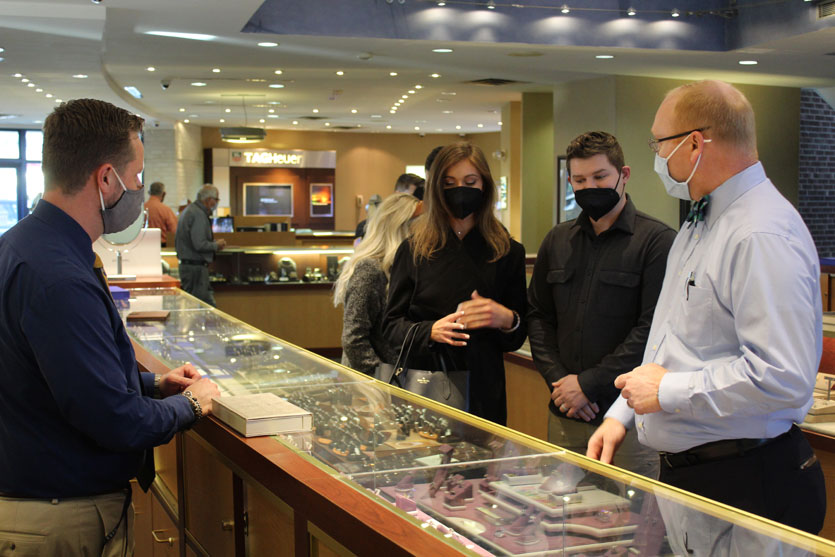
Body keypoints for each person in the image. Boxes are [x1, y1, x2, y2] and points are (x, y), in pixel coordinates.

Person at [587, 81, 826, 545]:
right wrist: (622, 413)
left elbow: (782, 377)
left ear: (695, 143)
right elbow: (674, 341)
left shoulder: (760, 233)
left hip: (749, 476)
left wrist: (666, 392)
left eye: (659, 143)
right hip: (698, 474)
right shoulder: (701, 222)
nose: (658, 156)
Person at [0, 98, 221, 556]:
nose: (138, 189)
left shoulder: (20, 245)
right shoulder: (60, 277)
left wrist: (152, 384)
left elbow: (56, 377)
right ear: (105, 179)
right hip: (60, 519)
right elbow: (114, 421)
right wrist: (192, 405)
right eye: (135, 176)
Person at [527, 131, 675, 479]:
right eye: (580, 180)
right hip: (565, 413)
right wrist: (561, 383)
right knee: (562, 508)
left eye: (599, 177)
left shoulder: (657, 241)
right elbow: (538, 316)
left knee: (630, 511)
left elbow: (652, 331)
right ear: (570, 182)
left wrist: (587, 385)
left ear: (623, 175)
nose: (589, 187)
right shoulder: (557, 240)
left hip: (629, 418)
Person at [383, 142, 527, 425]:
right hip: (426, 384)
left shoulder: (507, 251)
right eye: (449, 183)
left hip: (485, 389)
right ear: (436, 188)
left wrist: (506, 318)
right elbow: (390, 326)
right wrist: (430, 331)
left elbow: (518, 334)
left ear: (484, 185)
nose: (460, 190)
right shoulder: (414, 250)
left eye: (470, 182)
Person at [335, 193, 420, 375]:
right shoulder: (371, 268)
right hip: (374, 382)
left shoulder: (404, 266)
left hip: (397, 377)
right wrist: (381, 378)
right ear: (402, 228)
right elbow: (353, 339)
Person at [175, 184, 227, 306]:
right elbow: (199, 244)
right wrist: (216, 245)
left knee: (197, 306)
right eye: (216, 199)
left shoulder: (191, 210)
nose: (217, 203)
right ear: (209, 200)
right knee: (203, 307)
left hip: (190, 268)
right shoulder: (198, 214)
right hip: (195, 270)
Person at [144, 181, 178, 245]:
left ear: (149, 192)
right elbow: (174, 231)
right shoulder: (166, 210)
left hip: (143, 245)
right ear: (164, 194)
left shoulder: (141, 209)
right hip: (161, 246)